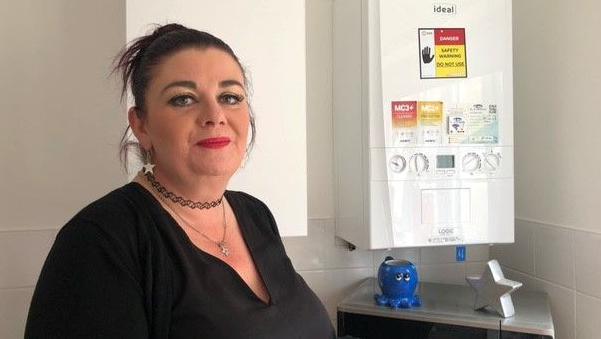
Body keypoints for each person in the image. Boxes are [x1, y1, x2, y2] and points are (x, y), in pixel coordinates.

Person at [25, 23, 335, 338]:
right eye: (183, 99)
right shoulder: (100, 240)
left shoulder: (255, 214)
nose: (215, 115)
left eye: (230, 96)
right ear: (141, 125)